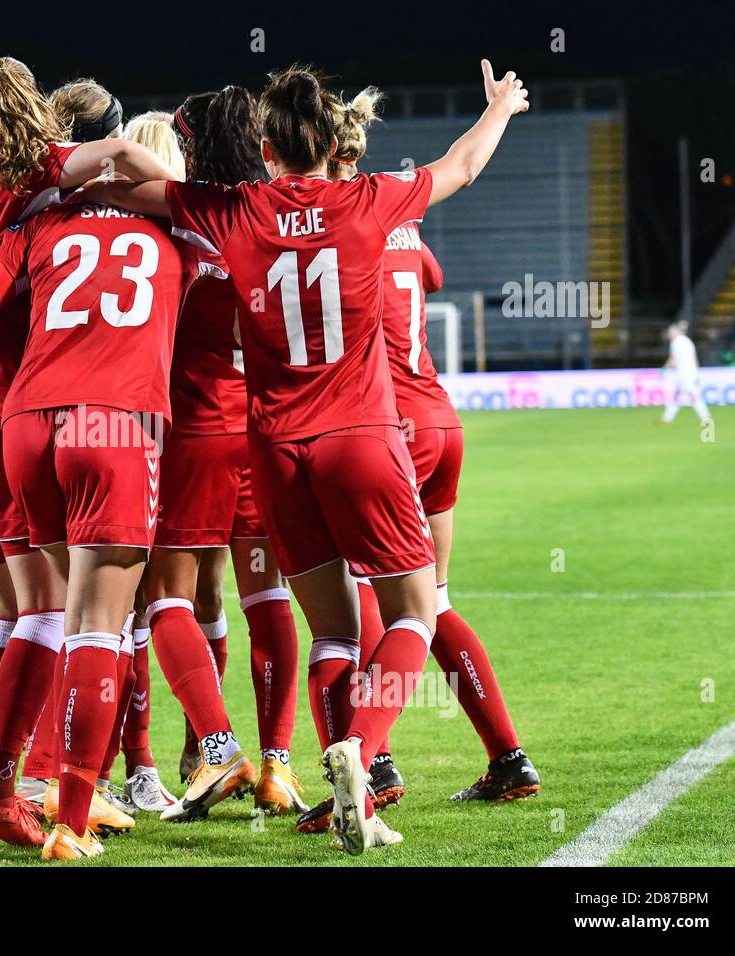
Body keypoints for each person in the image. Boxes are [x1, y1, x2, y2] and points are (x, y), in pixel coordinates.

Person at [85, 59, 530, 854]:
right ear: (333, 141)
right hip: (360, 436)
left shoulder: (235, 209)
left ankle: (342, 789)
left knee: (330, 632)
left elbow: (134, 186)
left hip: (276, 450)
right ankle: (361, 745)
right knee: (414, 613)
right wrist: (498, 109)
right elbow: (460, 167)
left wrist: (65, 158)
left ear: (265, 145)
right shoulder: (371, 199)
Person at [0, 56, 183, 848]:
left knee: (25, 610)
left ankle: (10, 779)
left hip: (6, 417)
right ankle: (58, 795)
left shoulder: (6, 213)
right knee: (86, 616)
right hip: (105, 419)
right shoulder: (160, 217)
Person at [297, 89, 538, 835]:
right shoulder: (394, 215)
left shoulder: (319, 228)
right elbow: (427, 274)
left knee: (352, 604)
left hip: (374, 426)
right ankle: (507, 758)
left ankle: (370, 762)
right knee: (428, 597)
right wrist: (498, 110)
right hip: (438, 419)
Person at [137, 91, 308, 819]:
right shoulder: (282, 217)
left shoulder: (187, 217)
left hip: (198, 434)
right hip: (268, 436)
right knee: (266, 596)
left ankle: (217, 751)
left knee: (163, 597)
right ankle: (277, 764)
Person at [661, 320, 712, 424]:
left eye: (670, 332)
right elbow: (695, 359)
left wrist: (664, 368)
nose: (669, 335)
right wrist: (696, 372)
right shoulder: (688, 341)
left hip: (684, 373)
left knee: (693, 395)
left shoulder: (676, 342)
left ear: (675, 332)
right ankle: (666, 418)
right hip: (690, 372)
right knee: (677, 395)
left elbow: (673, 359)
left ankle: (706, 417)